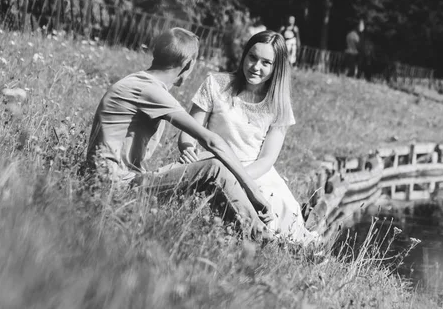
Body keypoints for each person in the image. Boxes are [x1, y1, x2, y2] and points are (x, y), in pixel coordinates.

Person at [85, 27, 273, 238]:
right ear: (188, 64)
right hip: (114, 185)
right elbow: (212, 140)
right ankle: (261, 237)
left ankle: (239, 234)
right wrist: (254, 192)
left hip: (115, 180)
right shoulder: (149, 90)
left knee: (206, 166)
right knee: (213, 168)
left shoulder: (139, 82)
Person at [178, 30, 319, 245]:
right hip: (212, 162)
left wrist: (240, 178)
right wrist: (187, 148)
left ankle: (282, 247)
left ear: (276, 68)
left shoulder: (278, 104)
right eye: (252, 57)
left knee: (280, 210)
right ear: (244, 55)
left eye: (266, 62)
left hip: (254, 171)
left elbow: (267, 158)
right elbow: (189, 130)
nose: (256, 67)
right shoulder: (216, 84)